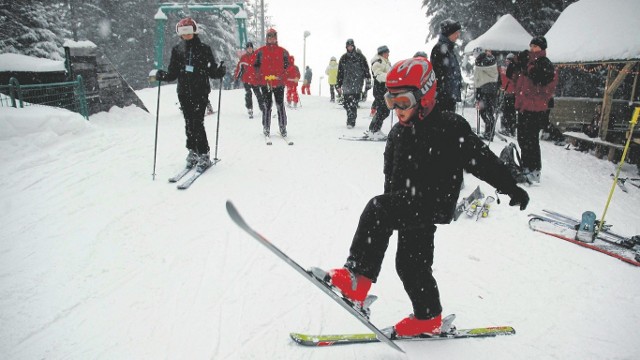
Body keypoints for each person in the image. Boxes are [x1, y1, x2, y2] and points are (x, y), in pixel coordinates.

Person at [324, 57, 530, 337]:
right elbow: (391, 174)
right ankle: (428, 316)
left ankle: (357, 281)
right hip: (407, 203)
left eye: (404, 102)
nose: (397, 110)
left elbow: (483, 161)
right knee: (410, 265)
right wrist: (392, 209)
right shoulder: (398, 132)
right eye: (391, 102)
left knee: (377, 208)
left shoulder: (449, 126)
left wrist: (511, 186)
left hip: (433, 202)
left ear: (426, 95)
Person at [150, 17, 225, 171]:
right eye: (183, 32)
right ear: (179, 33)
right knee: (189, 124)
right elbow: (172, 74)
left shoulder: (204, 49)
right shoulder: (177, 50)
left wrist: (219, 71)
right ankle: (193, 151)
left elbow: (212, 71)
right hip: (184, 92)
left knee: (197, 123)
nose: (186, 35)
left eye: (189, 32)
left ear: (194, 31)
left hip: (200, 92)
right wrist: (161, 75)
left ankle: (203, 153)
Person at [511, 36, 558, 183]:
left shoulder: (545, 63)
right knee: (522, 138)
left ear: (542, 48)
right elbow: (515, 79)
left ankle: (535, 170)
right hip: (524, 106)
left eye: (536, 47)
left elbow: (540, 79)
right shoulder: (529, 61)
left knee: (531, 140)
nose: (532, 49)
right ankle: (526, 166)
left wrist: (527, 66)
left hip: (536, 108)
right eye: (531, 46)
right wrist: (516, 63)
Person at [253, 28, 291, 138]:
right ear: (267, 38)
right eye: (270, 37)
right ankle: (266, 127)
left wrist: (283, 76)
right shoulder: (260, 51)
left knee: (280, 105)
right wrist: (259, 76)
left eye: (273, 37)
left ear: (276, 38)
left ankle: (283, 127)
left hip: (278, 83)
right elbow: (255, 66)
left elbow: (288, 67)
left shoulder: (283, 52)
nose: (272, 39)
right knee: (267, 106)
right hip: (265, 83)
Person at [430, 19, 463, 112]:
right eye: (456, 32)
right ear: (449, 33)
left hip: (449, 96)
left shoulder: (449, 49)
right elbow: (437, 74)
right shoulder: (439, 49)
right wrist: (443, 93)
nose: (458, 35)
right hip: (443, 98)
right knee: (444, 123)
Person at [337, 38, 371, 129]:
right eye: (348, 46)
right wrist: (338, 84)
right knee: (347, 103)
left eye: (351, 46)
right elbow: (340, 72)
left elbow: (366, 69)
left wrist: (368, 79)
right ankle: (350, 119)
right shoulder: (343, 58)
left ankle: (351, 121)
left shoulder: (360, 57)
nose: (350, 48)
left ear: (353, 46)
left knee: (354, 104)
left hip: (357, 83)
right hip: (346, 83)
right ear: (346, 47)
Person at [365, 45, 392, 139]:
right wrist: (390, 76)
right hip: (380, 89)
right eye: (386, 52)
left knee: (385, 111)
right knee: (382, 110)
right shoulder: (377, 61)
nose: (388, 54)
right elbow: (378, 75)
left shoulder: (386, 61)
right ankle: (374, 130)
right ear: (382, 53)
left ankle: (374, 129)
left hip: (385, 89)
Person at [473, 48, 499, 140]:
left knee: (485, 112)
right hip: (492, 88)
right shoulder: (493, 61)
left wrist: (478, 91)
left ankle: (489, 133)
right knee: (489, 111)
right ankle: (489, 132)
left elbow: (478, 77)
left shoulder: (481, 62)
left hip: (484, 88)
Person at [234, 41, 264, 119]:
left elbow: (261, 68)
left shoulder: (256, 56)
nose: (250, 49)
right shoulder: (243, 58)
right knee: (248, 94)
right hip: (246, 79)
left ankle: (263, 108)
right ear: (246, 49)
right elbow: (239, 68)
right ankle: (250, 109)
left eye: (251, 48)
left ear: (252, 48)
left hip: (255, 79)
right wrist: (236, 78)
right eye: (248, 48)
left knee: (258, 94)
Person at [499, 53, 517, 137]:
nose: (507, 62)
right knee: (510, 112)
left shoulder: (510, 70)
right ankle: (510, 129)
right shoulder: (506, 70)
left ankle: (507, 129)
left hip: (510, 94)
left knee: (507, 112)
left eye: (508, 60)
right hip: (510, 93)